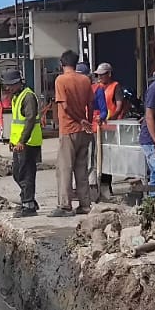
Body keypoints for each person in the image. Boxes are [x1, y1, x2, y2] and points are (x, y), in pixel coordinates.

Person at [52, 51, 95, 217]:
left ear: (62, 63)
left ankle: (65, 205)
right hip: (84, 131)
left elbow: (65, 106)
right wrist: (87, 122)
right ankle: (85, 204)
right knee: (81, 168)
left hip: (69, 129)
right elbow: (91, 105)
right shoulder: (85, 80)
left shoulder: (61, 80)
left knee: (64, 168)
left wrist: (79, 120)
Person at [2, 69, 42, 217]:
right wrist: (14, 141)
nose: (9, 88)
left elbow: (30, 119)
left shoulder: (28, 97)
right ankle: (28, 199)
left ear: (19, 83)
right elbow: (18, 122)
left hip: (28, 142)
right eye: (7, 85)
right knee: (17, 173)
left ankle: (28, 205)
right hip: (20, 142)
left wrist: (22, 141)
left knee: (26, 173)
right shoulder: (17, 97)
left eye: (11, 85)